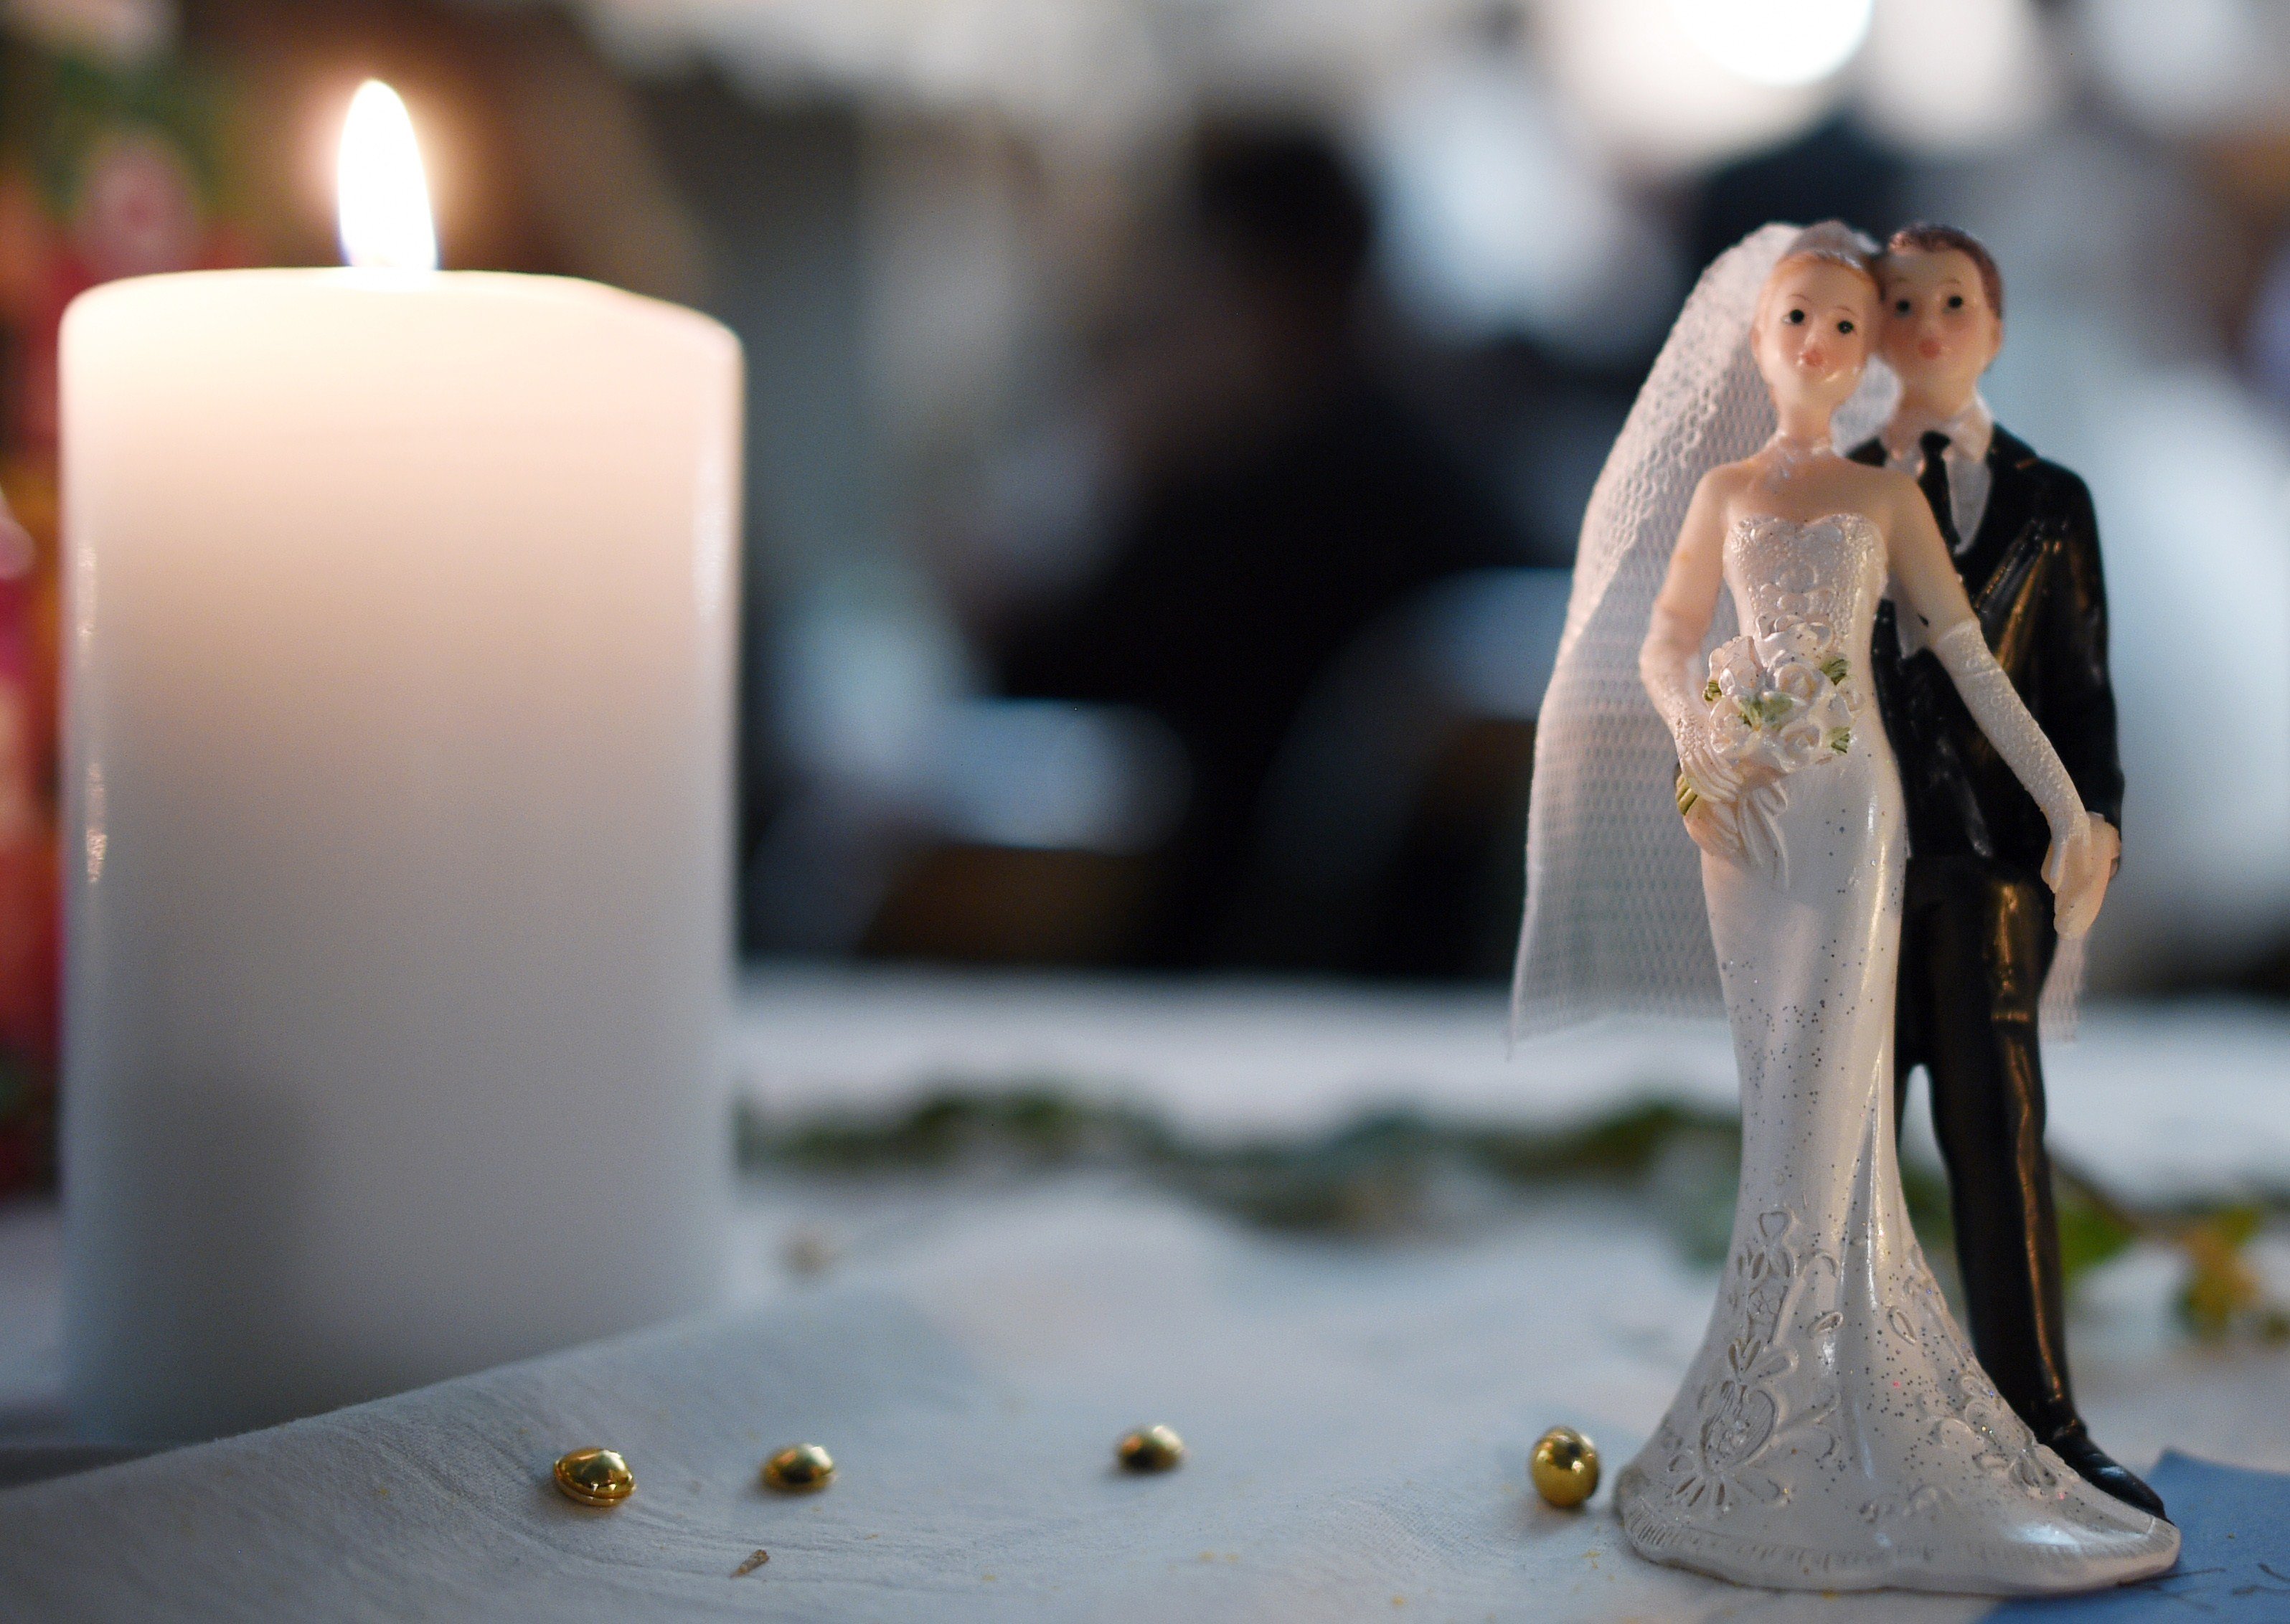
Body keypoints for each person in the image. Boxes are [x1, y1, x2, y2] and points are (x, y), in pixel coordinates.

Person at [1512, 225, 2176, 1592]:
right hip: (1753, 825)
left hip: (1875, 823)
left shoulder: (1929, 506)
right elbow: (1664, 636)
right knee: (1798, 1098)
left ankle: (1977, 1410)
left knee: (1950, 1124)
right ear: (1758, 338)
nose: (1826, 346)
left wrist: (2074, 808)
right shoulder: (1746, 489)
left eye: (1847, 327)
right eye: (1802, 323)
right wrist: (1696, 728)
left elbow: (1996, 671)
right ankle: (1770, 1408)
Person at [1851, 225, 2157, 1519]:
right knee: (1850, 1148)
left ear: (1995, 326)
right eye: (1900, 302)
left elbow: (2079, 687)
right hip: (1853, 870)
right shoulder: (1828, 485)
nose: (1927, 323)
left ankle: (2036, 1416)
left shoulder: (2051, 500)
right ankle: (1860, 1405)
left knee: (1999, 1135)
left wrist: (2094, 818)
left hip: (1991, 874)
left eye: (1953, 301)